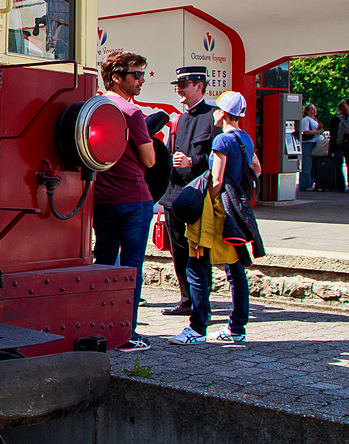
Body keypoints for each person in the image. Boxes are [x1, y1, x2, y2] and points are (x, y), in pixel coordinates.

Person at [171, 91, 264, 345]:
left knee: (197, 267)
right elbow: (256, 167)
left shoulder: (222, 140)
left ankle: (197, 328)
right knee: (235, 270)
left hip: (216, 211)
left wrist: (204, 200)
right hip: (234, 211)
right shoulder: (244, 138)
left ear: (222, 113)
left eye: (217, 108)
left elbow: (217, 179)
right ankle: (236, 328)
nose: (213, 112)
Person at [93, 49, 157, 351]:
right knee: (132, 267)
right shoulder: (132, 113)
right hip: (133, 197)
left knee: (103, 263)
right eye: (136, 75)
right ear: (117, 77)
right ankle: (126, 334)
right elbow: (149, 160)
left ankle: (99, 327)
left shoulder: (91, 107)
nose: (141, 80)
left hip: (102, 198)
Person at [157, 66, 218, 318]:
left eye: (184, 85)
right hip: (174, 194)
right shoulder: (179, 119)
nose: (179, 90)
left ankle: (202, 299)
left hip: (197, 194)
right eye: (177, 86)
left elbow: (218, 158)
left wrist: (193, 161)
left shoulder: (213, 117)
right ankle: (185, 299)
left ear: (199, 86)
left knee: (199, 249)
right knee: (178, 250)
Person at [329, 96, 349, 193]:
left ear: (339, 109)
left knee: (338, 165)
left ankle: (340, 186)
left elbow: (333, 134)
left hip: (338, 144)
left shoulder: (336, 119)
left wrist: (330, 149)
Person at [298, 104, 321, 192]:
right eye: (312, 109)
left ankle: (310, 183)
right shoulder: (305, 120)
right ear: (307, 111)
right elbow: (305, 132)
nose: (314, 111)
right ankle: (304, 185)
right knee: (307, 165)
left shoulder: (314, 120)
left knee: (313, 165)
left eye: (314, 109)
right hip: (308, 143)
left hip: (314, 143)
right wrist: (317, 131)